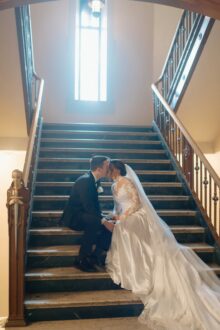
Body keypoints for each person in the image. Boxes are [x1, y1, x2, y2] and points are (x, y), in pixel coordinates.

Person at [105, 159, 220, 330]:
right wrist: (114, 215)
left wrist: (123, 217)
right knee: (121, 225)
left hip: (137, 214)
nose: (108, 172)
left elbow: (136, 203)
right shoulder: (113, 186)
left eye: (110, 169)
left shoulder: (128, 182)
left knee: (124, 226)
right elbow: (117, 207)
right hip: (125, 216)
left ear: (116, 170)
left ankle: (140, 265)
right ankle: (127, 265)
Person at [60, 155, 114, 272]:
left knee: (110, 224)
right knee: (95, 222)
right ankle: (80, 259)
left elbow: (94, 206)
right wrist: (103, 221)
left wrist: (105, 219)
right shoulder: (85, 181)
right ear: (99, 169)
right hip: (74, 217)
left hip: (85, 213)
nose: (109, 168)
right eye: (107, 166)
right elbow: (88, 206)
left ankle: (95, 256)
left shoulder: (94, 179)